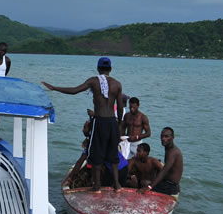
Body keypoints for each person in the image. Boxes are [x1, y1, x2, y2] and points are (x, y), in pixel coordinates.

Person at [42, 57, 124, 192]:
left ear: (98, 68)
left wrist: (55, 88)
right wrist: (118, 124)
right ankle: (117, 186)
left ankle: (97, 186)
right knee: (113, 155)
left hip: (99, 121)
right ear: (110, 69)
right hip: (112, 122)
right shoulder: (117, 84)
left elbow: (75, 90)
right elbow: (120, 107)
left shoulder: (93, 81)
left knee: (96, 155)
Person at [140, 127, 183, 197]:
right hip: (169, 183)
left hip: (170, 187)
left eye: (166, 136)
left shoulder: (172, 152)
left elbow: (164, 170)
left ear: (173, 137)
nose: (163, 139)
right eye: (162, 136)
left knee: (143, 183)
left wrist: (149, 187)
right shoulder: (168, 148)